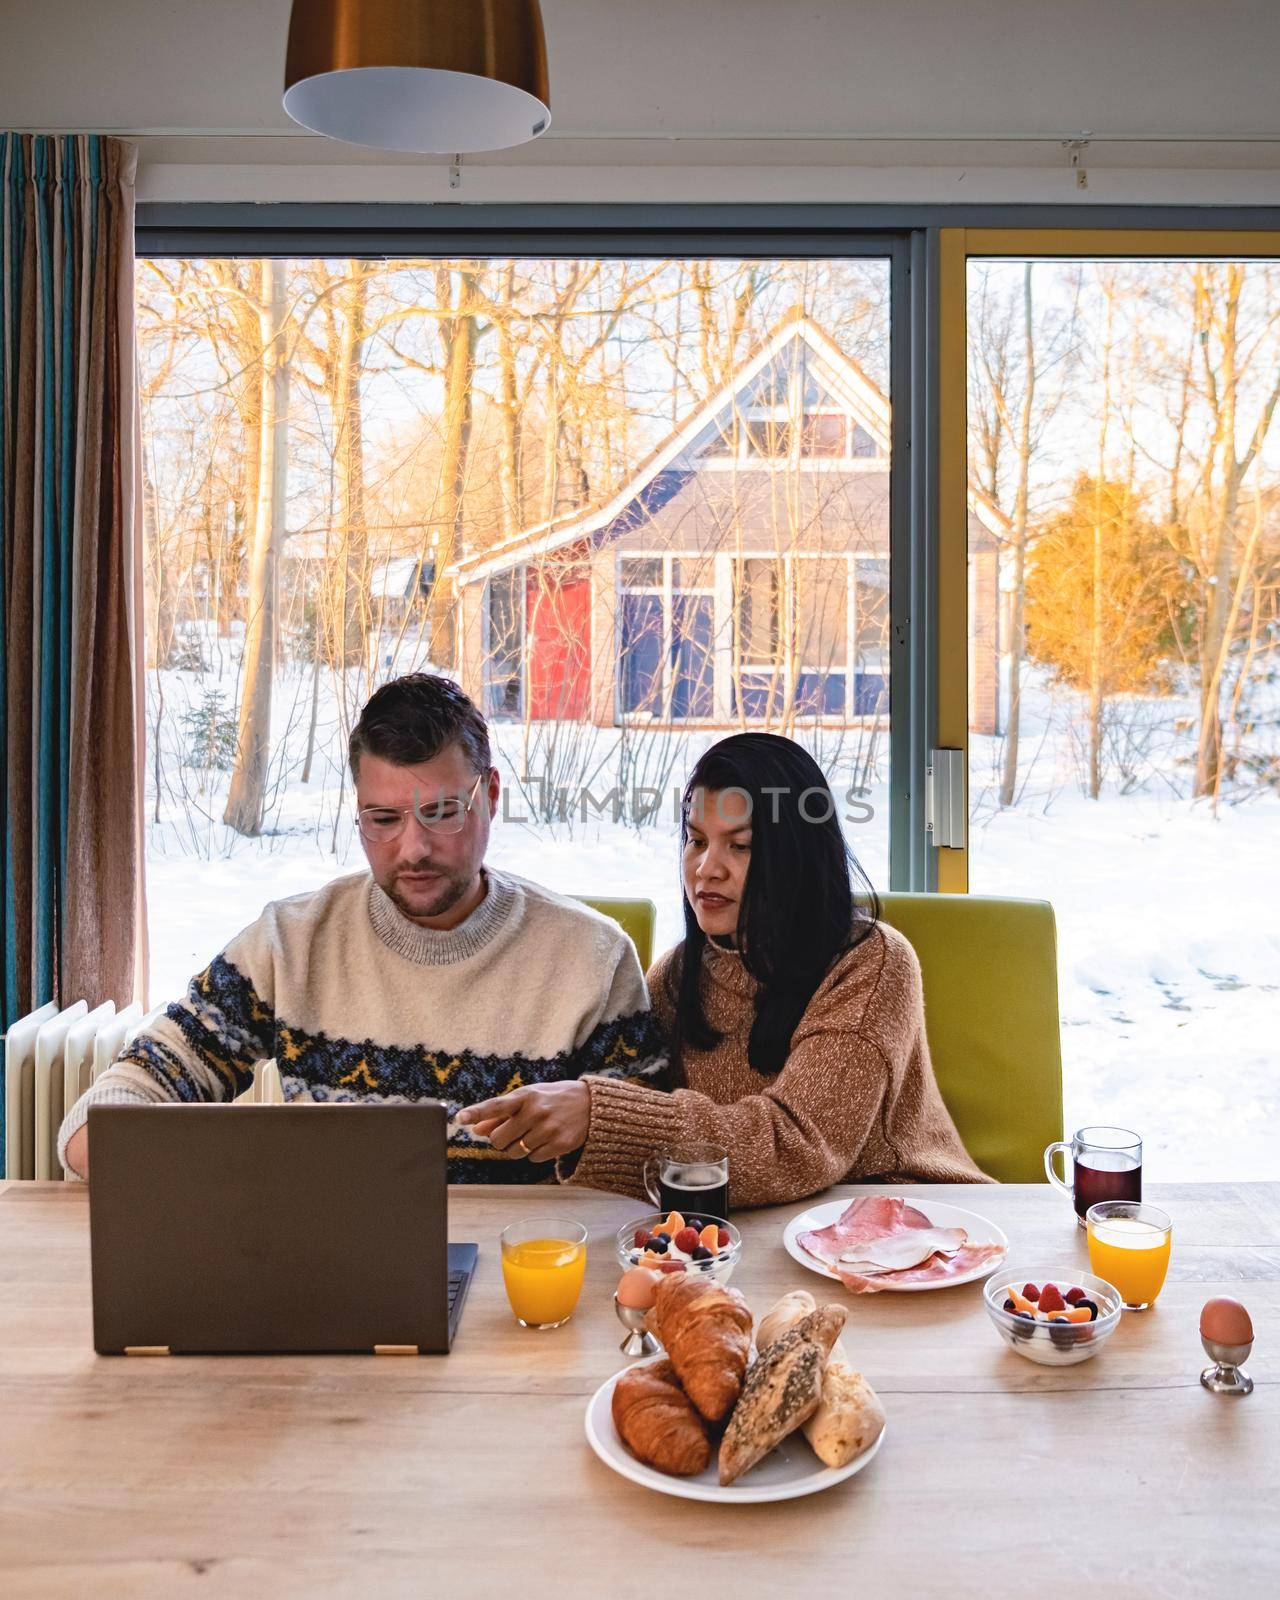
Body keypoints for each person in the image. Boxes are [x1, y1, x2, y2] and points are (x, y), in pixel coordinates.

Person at [59, 674, 664, 1182]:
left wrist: (598, 1122)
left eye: (442, 812)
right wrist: (239, 1182)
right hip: (328, 1281)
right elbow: (107, 1112)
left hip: (522, 1286)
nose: (414, 848)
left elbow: (651, 1174)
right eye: (383, 818)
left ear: (491, 796)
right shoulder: (290, 944)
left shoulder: (593, 956)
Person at [460, 732, 990, 1205]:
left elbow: (798, 1144)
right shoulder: (679, 974)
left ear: (796, 858)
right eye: (695, 840)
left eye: (740, 846)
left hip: (919, 1225)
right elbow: (646, 1118)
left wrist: (600, 1116)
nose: (706, 869)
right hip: (764, 1228)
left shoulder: (871, 964)